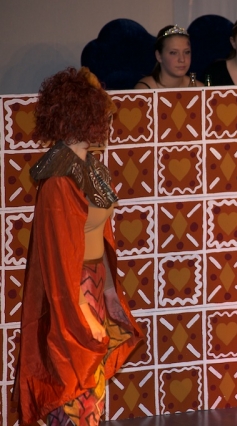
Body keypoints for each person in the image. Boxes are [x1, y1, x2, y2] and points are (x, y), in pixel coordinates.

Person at [13, 67, 143, 425]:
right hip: (70, 299)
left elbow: (98, 240)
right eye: (101, 113)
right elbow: (59, 261)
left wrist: (109, 295)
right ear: (81, 116)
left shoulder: (91, 169)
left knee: (91, 388)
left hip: (92, 288)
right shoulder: (59, 179)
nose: (108, 122)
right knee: (73, 386)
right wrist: (82, 315)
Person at [135, 24, 204, 89]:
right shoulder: (145, 90)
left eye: (186, 52)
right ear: (159, 56)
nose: (182, 59)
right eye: (173, 53)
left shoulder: (200, 88)